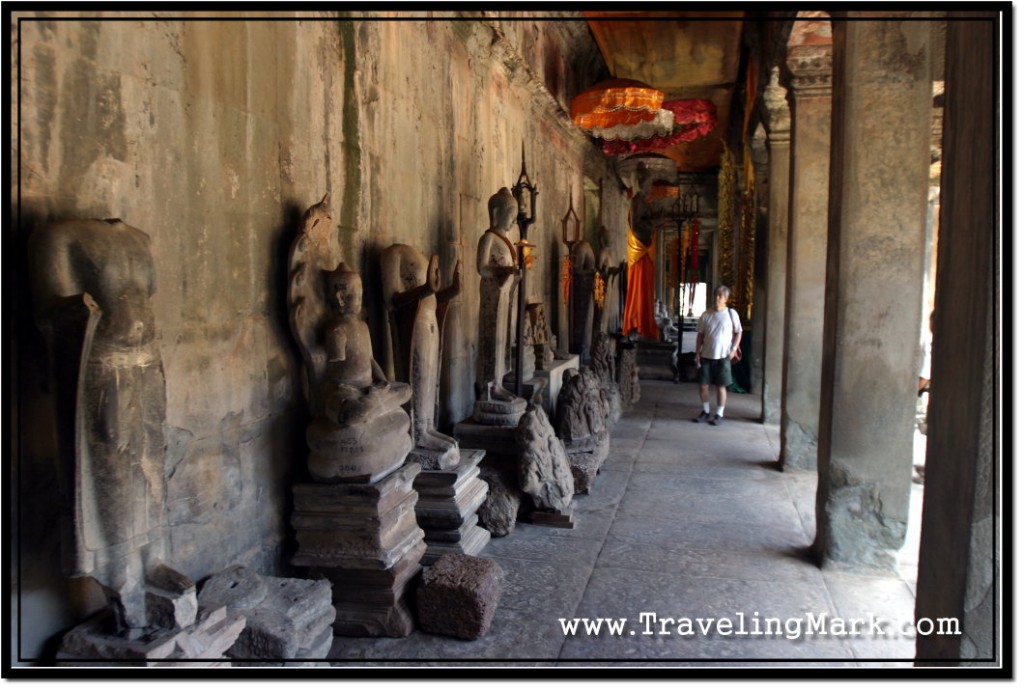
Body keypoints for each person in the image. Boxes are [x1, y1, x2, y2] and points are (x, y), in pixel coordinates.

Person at [28, 218, 169, 636]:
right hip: (104, 367)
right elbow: (49, 314)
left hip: (147, 361)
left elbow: (146, 298)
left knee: (153, 466)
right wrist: (76, 311)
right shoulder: (60, 238)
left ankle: (153, 559)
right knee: (113, 471)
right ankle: (121, 574)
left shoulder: (140, 237)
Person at [475, 187, 521, 402]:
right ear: (496, 214)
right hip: (492, 296)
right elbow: (482, 268)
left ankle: (499, 383)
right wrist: (503, 271)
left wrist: (515, 274)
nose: (513, 222)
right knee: (491, 337)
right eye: (511, 217)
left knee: (502, 338)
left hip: (503, 296)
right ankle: (487, 387)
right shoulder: (488, 239)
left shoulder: (506, 242)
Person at [692, 285, 742, 426]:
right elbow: (700, 336)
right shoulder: (706, 314)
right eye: (715, 295)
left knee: (721, 386)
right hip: (706, 355)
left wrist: (733, 349)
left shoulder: (731, 314)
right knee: (703, 385)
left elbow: (739, 332)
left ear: (726, 298)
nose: (717, 298)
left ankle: (719, 413)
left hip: (723, 356)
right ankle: (706, 411)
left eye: (720, 295)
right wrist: (697, 353)